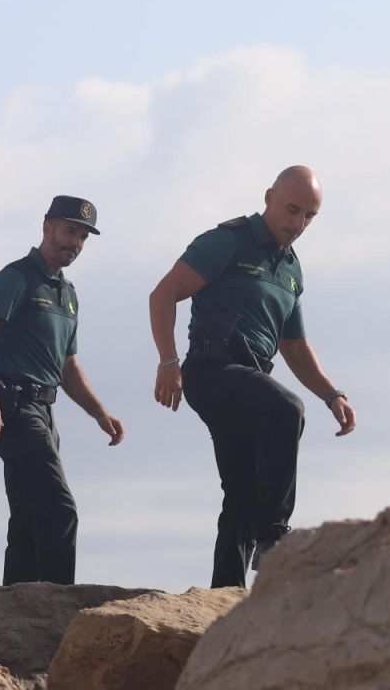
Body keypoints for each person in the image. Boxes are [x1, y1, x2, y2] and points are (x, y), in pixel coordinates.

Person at [148, 166, 358, 588]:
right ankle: (275, 536)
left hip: (250, 381)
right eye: (292, 210)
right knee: (286, 409)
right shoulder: (229, 241)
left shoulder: (291, 269)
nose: (298, 224)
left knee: (242, 496)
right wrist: (168, 362)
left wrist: (332, 394)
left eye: (309, 217)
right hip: (212, 370)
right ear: (269, 197)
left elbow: (295, 347)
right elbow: (163, 293)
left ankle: (224, 597)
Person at [0, 195, 125, 585]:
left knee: (28, 513)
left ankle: (16, 607)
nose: (75, 242)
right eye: (70, 231)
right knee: (58, 507)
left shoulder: (68, 294)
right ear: (47, 226)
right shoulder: (16, 278)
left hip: (44, 411)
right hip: (9, 405)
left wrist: (99, 412)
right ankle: (59, 606)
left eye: (83, 237)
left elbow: (67, 366)